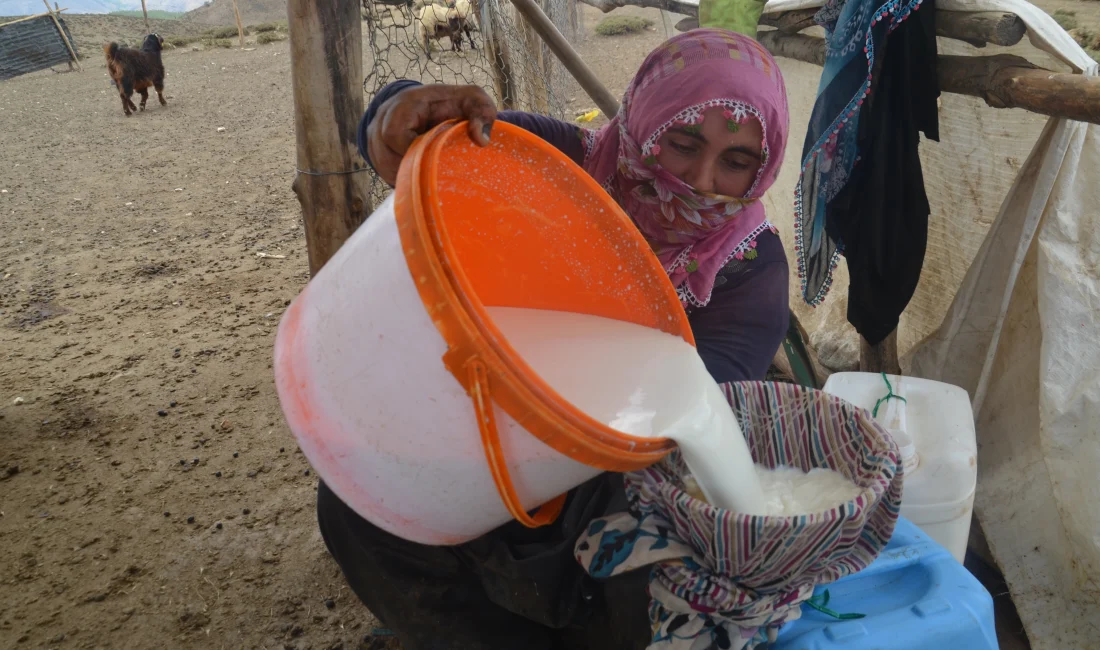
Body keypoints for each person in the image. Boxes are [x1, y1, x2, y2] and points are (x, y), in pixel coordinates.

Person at [317, 28, 791, 650]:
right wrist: (393, 116)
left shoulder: (748, 271)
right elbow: (423, 135)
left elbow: (680, 416)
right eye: (682, 142)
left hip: (600, 470)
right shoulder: (553, 162)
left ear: (762, 171)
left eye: (735, 163)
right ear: (645, 121)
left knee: (655, 532)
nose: (701, 181)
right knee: (358, 496)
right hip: (473, 414)